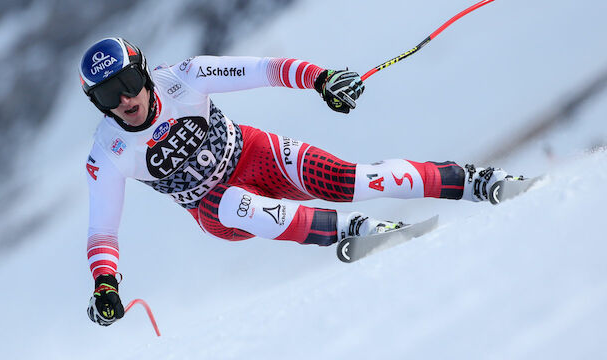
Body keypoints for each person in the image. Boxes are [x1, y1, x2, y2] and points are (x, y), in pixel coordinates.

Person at [81, 37, 515, 326]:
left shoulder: (183, 77)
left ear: (143, 72)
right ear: (96, 103)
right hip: (215, 209)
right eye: (106, 94)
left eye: (129, 82)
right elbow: (103, 230)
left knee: (356, 179)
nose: (124, 99)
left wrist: (321, 80)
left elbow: (266, 69)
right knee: (233, 203)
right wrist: (105, 284)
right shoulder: (107, 152)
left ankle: (473, 180)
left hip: (258, 155)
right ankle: (359, 230)